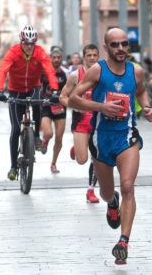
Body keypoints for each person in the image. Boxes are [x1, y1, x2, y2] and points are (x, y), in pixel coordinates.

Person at [68, 28, 152, 264]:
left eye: (124, 44)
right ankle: (112, 202)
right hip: (101, 139)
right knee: (107, 192)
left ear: (128, 46)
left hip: (126, 137)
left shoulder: (136, 71)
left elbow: (141, 92)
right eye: (115, 45)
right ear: (106, 47)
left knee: (128, 186)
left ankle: (123, 241)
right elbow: (73, 99)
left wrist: (147, 108)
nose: (120, 49)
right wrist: (101, 107)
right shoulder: (98, 70)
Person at [0, 25, 60, 181]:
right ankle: (12, 166)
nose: (29, 47)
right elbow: (2, 69)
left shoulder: (40, 52)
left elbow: (49, 70)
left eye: (32, 44)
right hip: (15, 89)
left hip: (33, 86)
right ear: (21, 42)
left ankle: (36, 135)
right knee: (16, 129)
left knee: (38, 103)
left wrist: (55, 90)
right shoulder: (13, 52)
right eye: (26, 43)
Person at [59, 44, 101, 203]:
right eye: (88, 55)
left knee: (97, 158)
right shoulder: (75, 76)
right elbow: (62, 96)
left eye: (94, 55)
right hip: (81, 122)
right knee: (82, 159)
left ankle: (91, 190)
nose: (91, 58)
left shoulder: (102, 74)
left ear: (98, 57)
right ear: (84, 57)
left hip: (98, 121)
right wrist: (76, 106)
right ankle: (77, 148)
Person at [39, 46, 68, 174]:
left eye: (59, 58)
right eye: (54, 57)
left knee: (59, 138)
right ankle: (45, 141)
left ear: (62, 58)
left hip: (60, 108)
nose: (56, 60)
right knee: (49, 133)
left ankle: (53, 163)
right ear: (50, 58)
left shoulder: (65, 73)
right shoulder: (44, 72)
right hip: (46, 106)